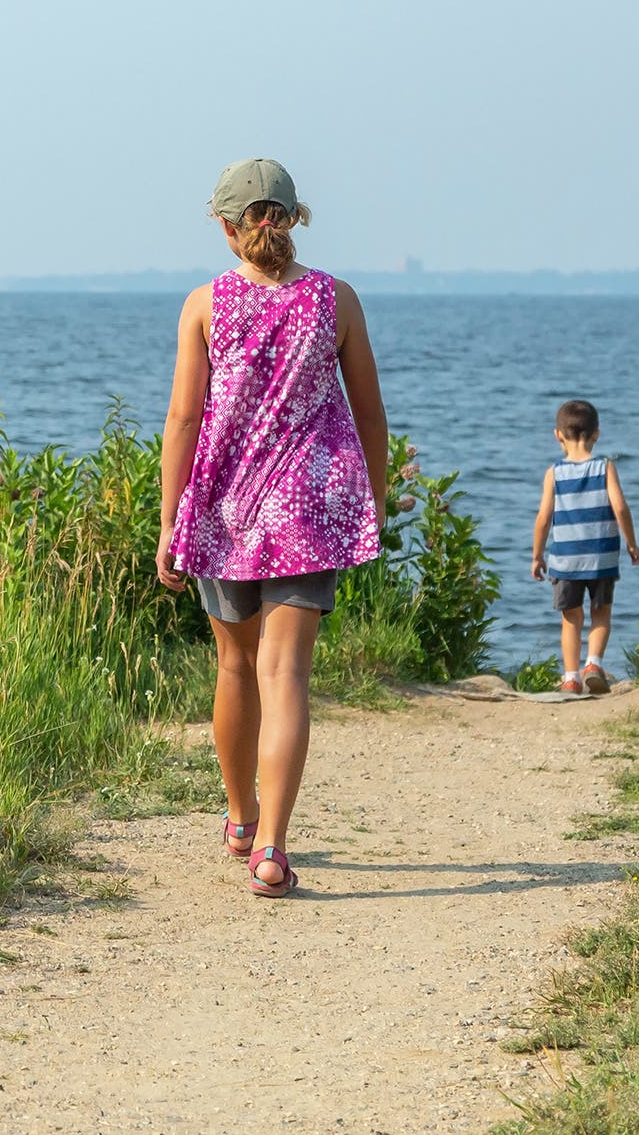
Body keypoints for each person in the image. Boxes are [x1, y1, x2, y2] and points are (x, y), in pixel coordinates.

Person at [156, 158, 390, 899]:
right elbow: (369, 414)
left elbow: (185, 419)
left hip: (223, 508)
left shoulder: (205, 304)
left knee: (234, 667)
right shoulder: (337, 300)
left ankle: (238, 816)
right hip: (307, 510)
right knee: (285, 675)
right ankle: (272, 850)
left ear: (228, 228)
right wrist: (373, 502)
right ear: (291, 217)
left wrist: (169, 521)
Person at [528, 399, 639, 695]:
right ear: (596, 434)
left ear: (558, 435)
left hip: (565, 559)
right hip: (602, 556)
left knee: (571, 619)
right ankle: (593, 664)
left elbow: (543, 518)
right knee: (601, 612)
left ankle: (570, 678)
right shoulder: (605, 467)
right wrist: (631, 543)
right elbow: (621, 507)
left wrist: (537, 555)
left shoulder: (554, 473)